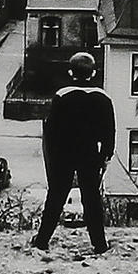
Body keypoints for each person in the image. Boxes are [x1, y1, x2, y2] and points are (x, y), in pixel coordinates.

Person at [33, 51, 115, 254]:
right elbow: (109, 130)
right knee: (92, 198)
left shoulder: (62, 96)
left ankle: (43, 240)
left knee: (56, 197)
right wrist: (106, 154)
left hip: (64, 153)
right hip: (89, 153)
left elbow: (51, 130)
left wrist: (51, 155)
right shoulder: (103, 98)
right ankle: (99, 243)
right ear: (93, 73)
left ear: (71, 72)